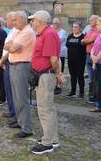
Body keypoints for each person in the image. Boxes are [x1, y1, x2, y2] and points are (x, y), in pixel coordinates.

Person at [30, 10, 65, 155]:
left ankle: (47, 143)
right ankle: (52, 138)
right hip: (42, 75)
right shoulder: (44, 34)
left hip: (46, 75)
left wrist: (58, 74)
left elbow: (54, 59)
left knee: (45, 109)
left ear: (41, 21)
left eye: (33, 20)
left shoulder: (49, 34)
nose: (32, 22)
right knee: (47, 108)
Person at [4, 11, 35, 139]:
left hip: (22, 66)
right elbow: (7, 45)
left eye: (15, 20)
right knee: (16, 97)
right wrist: (12, 46)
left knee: (21, 97)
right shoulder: (18, 31)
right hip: (14, 65)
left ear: (22, 19)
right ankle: (20, 121)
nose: (12, 23)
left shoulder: (27, 32)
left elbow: (11, 48)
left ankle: (26, 128)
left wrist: (12, 47)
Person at [0, 12, 17, 119]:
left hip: (9, 61)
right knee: (8, 89)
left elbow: (10, 49)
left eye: (7, 19)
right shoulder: (11, 31)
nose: (6, 21)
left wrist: (2, 60)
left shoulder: (15, 32)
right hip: (6, 61)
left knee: (11, 89)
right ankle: (11, 110)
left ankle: (14, 112)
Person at [81, 15, 100, 102]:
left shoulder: (99, 31)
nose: (89, 21)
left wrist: (86, 40)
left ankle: (95, 96)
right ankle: (91, 96)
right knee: (90, 77)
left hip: (95, 56)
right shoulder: (90, 30)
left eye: (91, 20)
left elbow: (89, 40)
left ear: (96, 21)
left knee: (95, 77)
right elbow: (83, 40)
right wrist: (86, 40)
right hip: (88, 55)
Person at [65, 22, 86, 97]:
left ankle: (81, 92)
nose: (74, 28)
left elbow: (83, 46)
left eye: (76, 27)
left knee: (80, 76)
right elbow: (67, 45)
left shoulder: (83, 37)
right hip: (71, 59)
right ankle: (72, 91)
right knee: (72, 76)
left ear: (80, 28)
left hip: (80, 60)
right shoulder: (70, 36)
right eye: (73, 27)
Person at [52, 18, 67, 95]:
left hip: (60, 53)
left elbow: (58, 40)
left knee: (59, 70)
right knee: (53, 70)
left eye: (56, 23)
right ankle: (54, 85)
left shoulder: (62, 32)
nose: (54, 25)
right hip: (52, 53)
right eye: (54, 23)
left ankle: (58, 86)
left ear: (59, 24)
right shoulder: (51, 30)